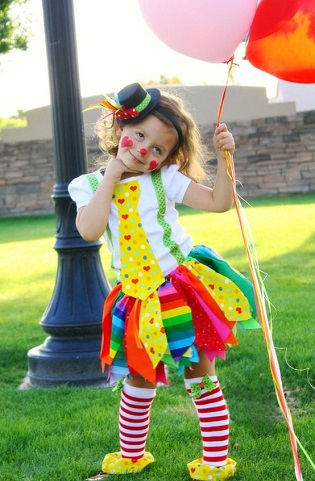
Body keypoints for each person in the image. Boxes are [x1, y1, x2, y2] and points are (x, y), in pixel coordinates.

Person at [68, 82, 260, 481]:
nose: (143, 150)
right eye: (139, 136)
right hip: (136, 295)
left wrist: (226, 159)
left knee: (198, 370)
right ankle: (132, 454)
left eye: (158, 149)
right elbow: (88, 230)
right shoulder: (87, 186)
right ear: (121, 126)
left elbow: (219, 203)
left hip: (179, 287)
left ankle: (215, 460)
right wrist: (113, 176)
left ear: (169, 157)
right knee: (137, 375)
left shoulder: (165, 179)